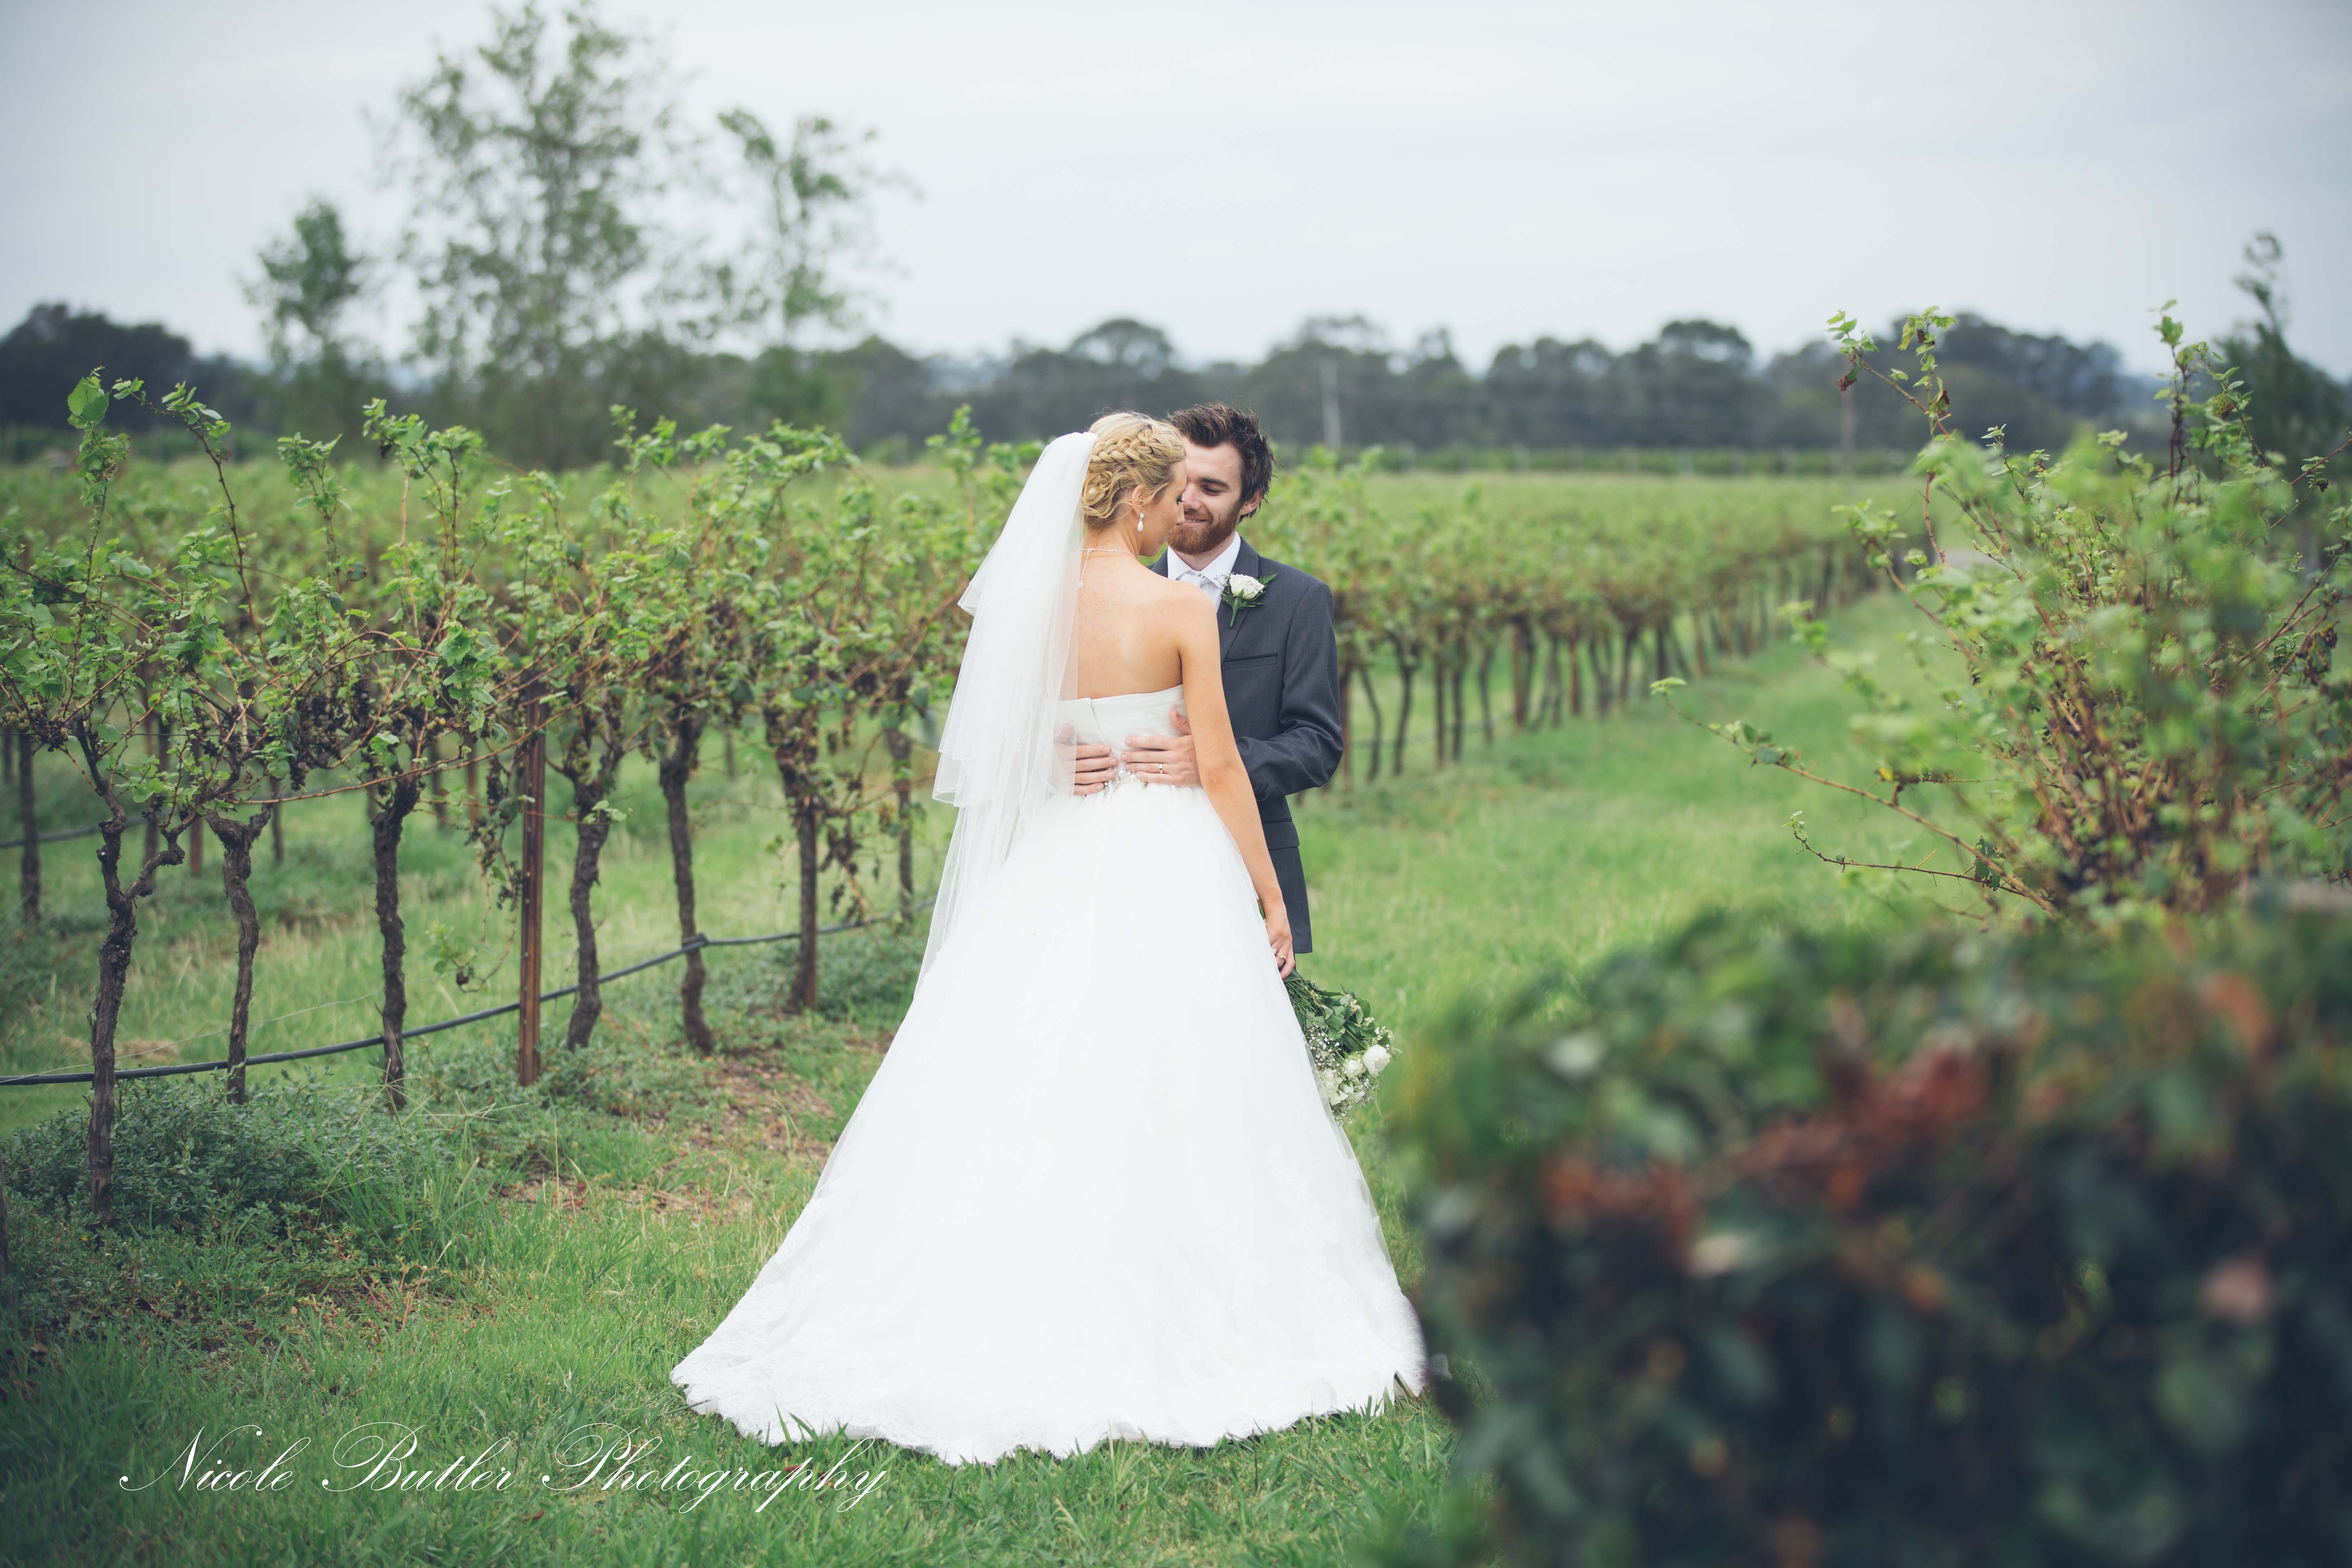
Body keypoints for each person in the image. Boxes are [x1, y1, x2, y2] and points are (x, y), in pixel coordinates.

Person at [670, 413, 1426, 1466]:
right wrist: (1268, 894)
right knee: (1183, 1062)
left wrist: (1061, 755)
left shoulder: (1034, 603)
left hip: (1061, 854)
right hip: (1168, 854)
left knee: (1034, 1051)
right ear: (1137, 500)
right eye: (1168, 493)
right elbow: (1216, 768)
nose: (1178, 511)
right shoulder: (1177, 607)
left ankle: (999, 1273)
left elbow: (998, 741)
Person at [1069, 404, 1343, 953]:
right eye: (1181, 484)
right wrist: (1051, 762)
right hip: (1106, 858)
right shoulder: (1102, 596)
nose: (1188, 502)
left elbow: (1318, 744)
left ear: (1251, 500)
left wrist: (1219, 761)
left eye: (1212, 489)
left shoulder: (1299, 600)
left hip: (1245, 860)